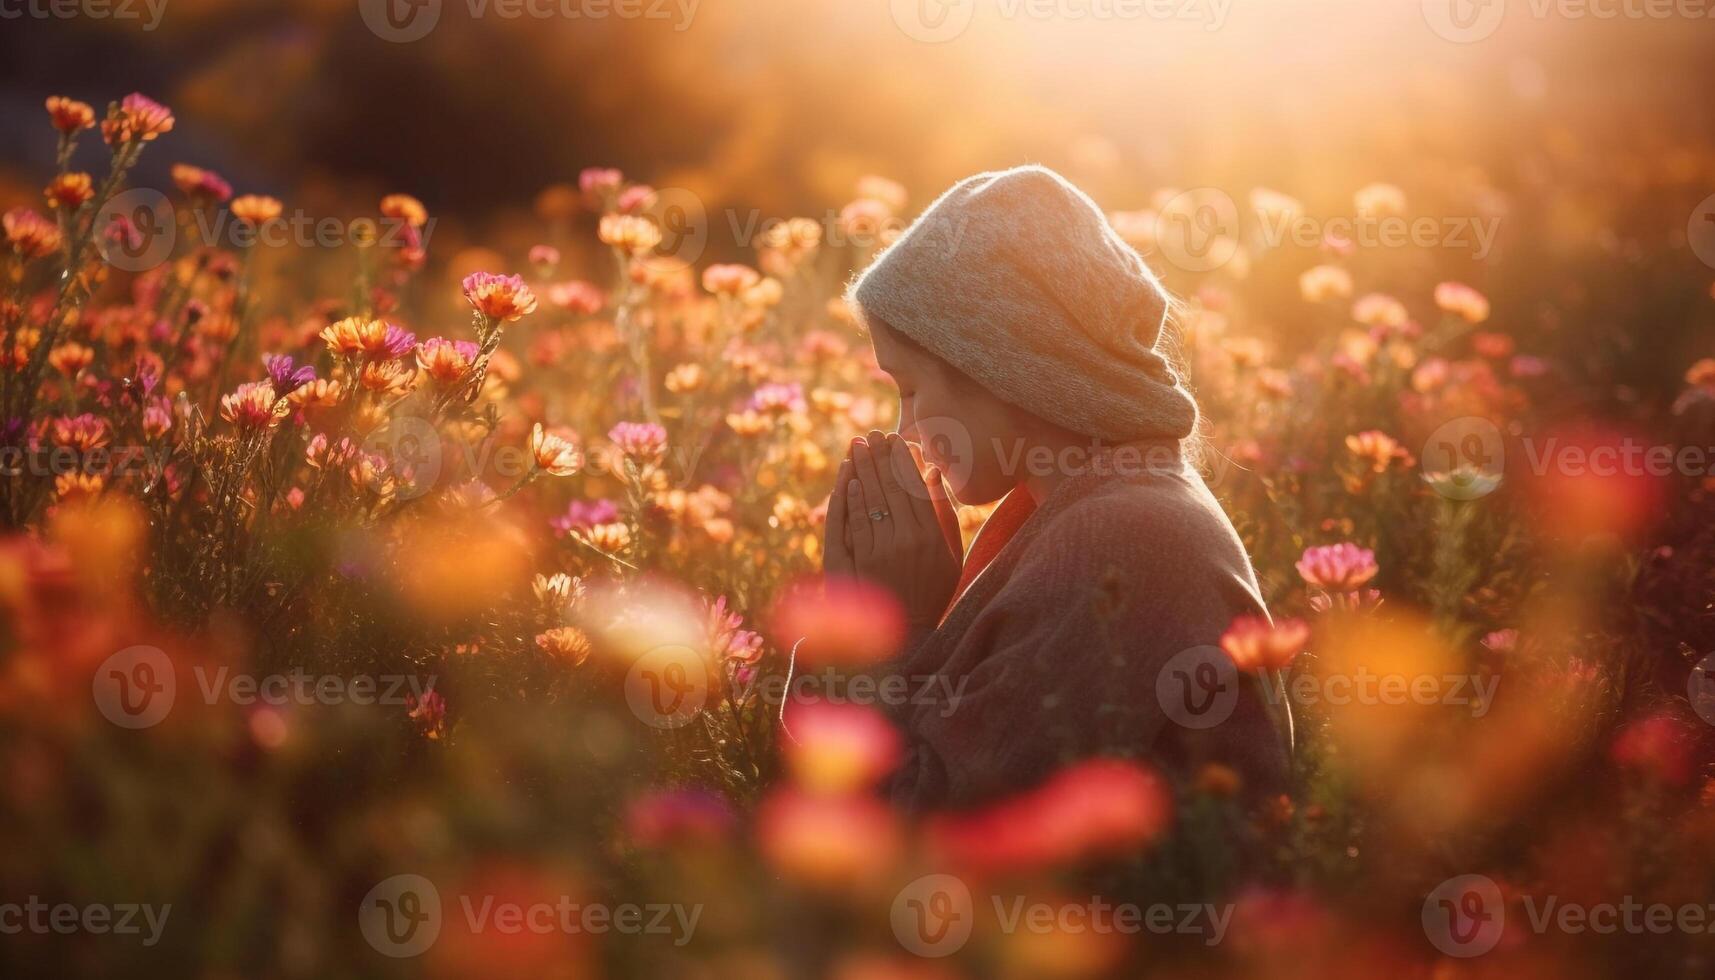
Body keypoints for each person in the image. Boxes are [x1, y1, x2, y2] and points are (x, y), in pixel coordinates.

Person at [821, 165, 1292, 813]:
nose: (902, 429)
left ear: (1001, 370)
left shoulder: (1118, 537)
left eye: (908, 390)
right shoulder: (1081, 505)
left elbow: (930, 832)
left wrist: (881, 632)